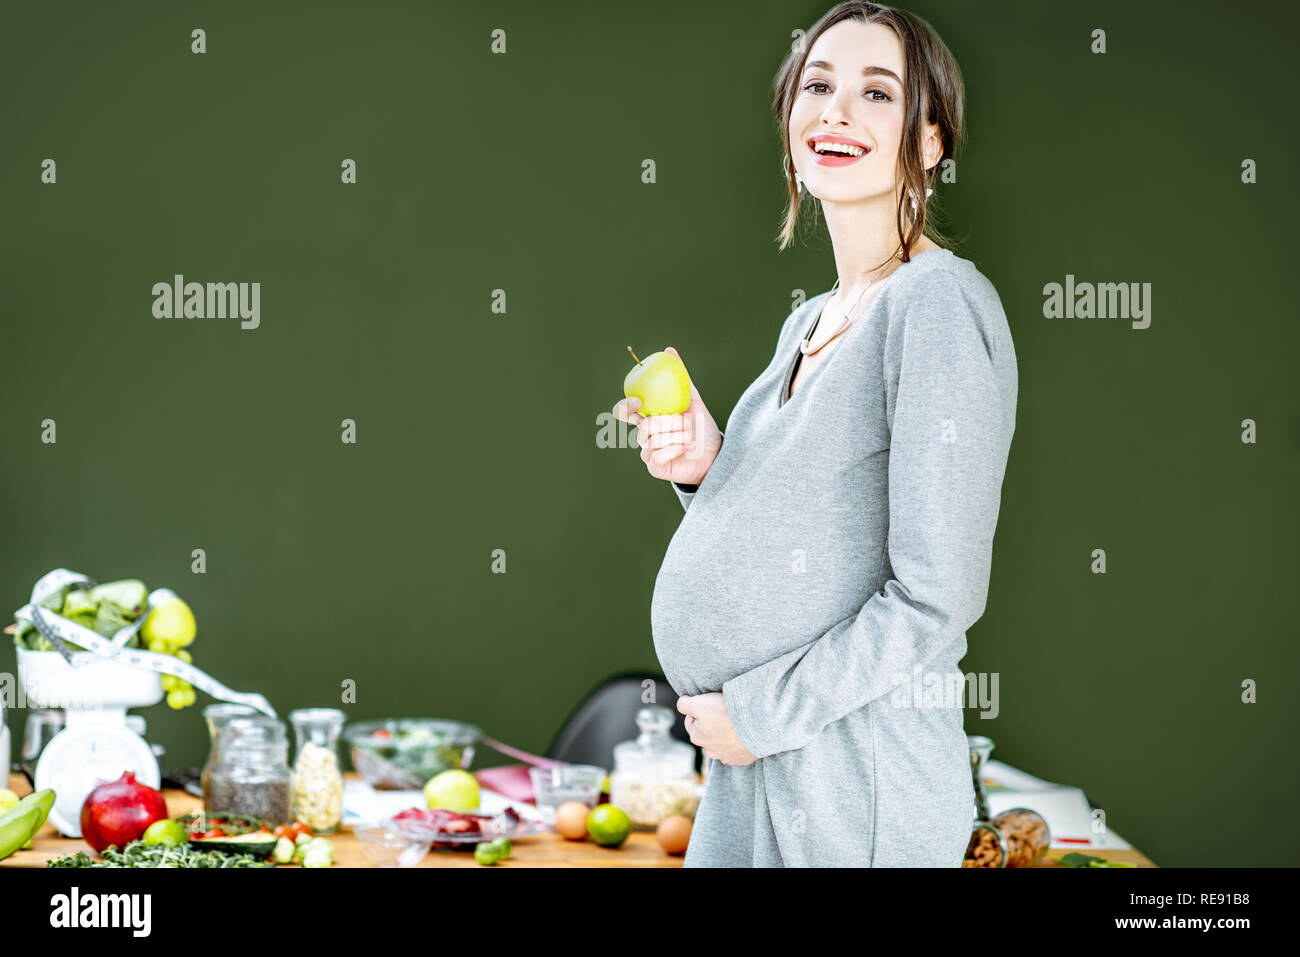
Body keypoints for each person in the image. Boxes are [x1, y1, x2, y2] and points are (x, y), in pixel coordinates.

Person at [612, 2, 1017, 866]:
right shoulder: (811, 323)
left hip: (853, 788)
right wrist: (708, 467)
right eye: (819, 83)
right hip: (756, 771)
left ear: (931, 141)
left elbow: (937, 594)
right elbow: (807, 538)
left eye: (877, 92)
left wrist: (759, 717)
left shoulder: (936, 306)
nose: (835, 110)